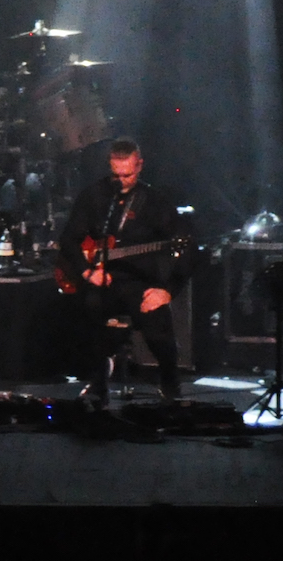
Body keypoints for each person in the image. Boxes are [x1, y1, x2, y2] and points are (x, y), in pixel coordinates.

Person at [57, 136, 189, 405]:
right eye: (116, 175)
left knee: (156, 320)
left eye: (127, 175)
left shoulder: (155, 201)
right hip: (103, 279)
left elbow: (188, 249)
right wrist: (86, 272)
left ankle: (169, 382)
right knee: (86, 307)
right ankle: (98, 381)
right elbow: (69, 240)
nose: (122, 181)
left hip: (140, 281)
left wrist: (167, 290)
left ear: (139, 166)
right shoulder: (94, 196)